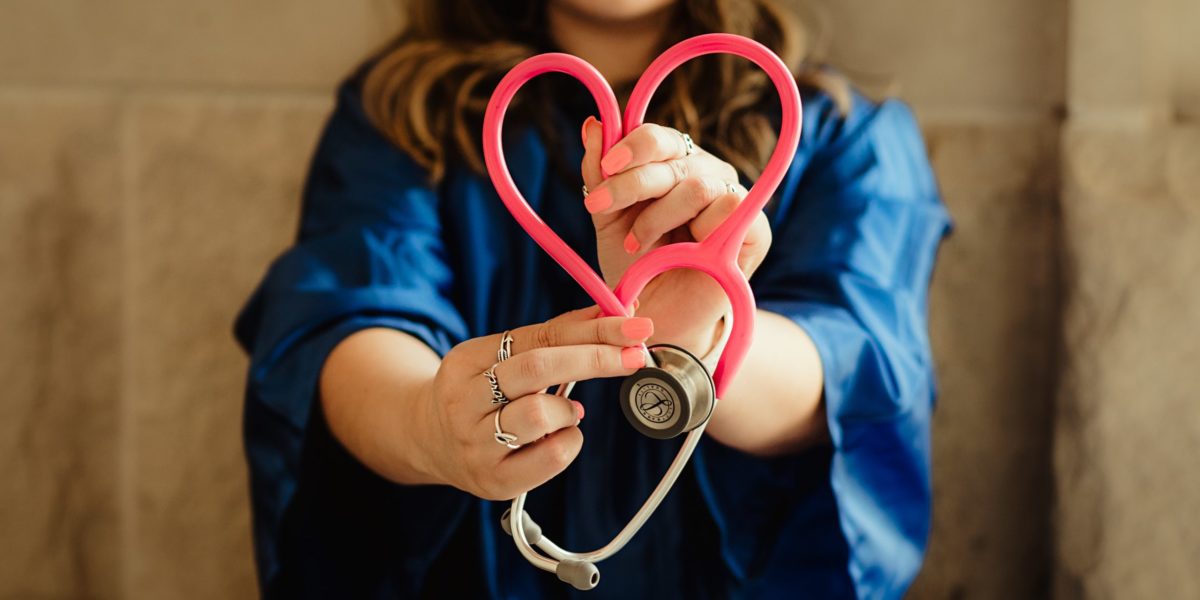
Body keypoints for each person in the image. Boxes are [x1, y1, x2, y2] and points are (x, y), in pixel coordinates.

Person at [234, 0, 950, 597]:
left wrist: (696, 342)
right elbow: (342, 317)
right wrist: (428, 424)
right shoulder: (400, 116)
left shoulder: (843, 135)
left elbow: (855, 365)